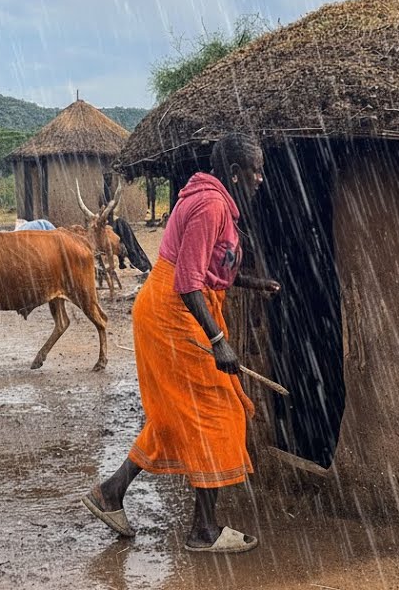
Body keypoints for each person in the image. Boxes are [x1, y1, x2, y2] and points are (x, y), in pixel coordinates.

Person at [81, 134, 280, 554]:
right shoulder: (210, 206)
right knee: (220, 412)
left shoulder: (213, 201)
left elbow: (207, 269)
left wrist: (250, 282)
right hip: (174, 315)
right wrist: (219, 341)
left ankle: (110, 492)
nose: (260, 178)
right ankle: (204, 531)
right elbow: (188, 282)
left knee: (175, 414)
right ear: (233, 173)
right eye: (255, 171)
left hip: (171, 308)